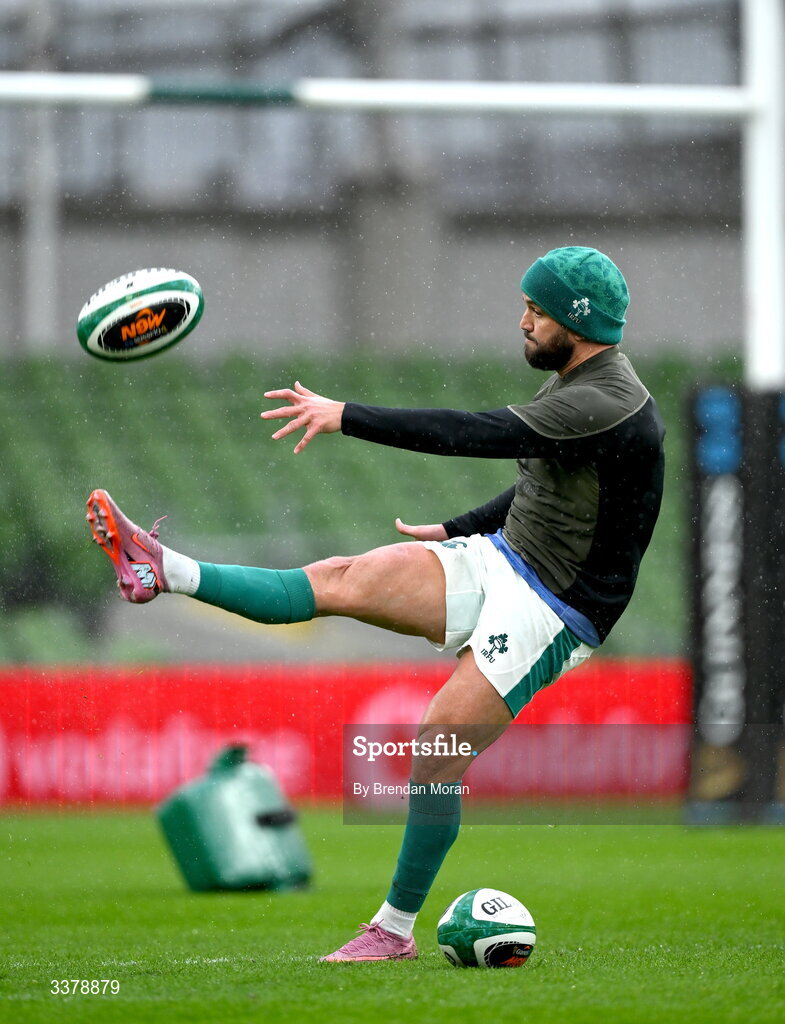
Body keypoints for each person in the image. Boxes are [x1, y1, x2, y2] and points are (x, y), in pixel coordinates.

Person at [86, 245, 664, 962]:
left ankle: (391, 932)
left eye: (535, 311)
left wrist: (346, 414)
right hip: (504, 557)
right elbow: (547, 483)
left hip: (555, 607)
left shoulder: (604, 400)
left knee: (435, 750)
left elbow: (479, 434)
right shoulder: (579, 382)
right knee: (342, 578)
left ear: (574, 321)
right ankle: (161, 570)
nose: (521, 321)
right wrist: (459, 530)